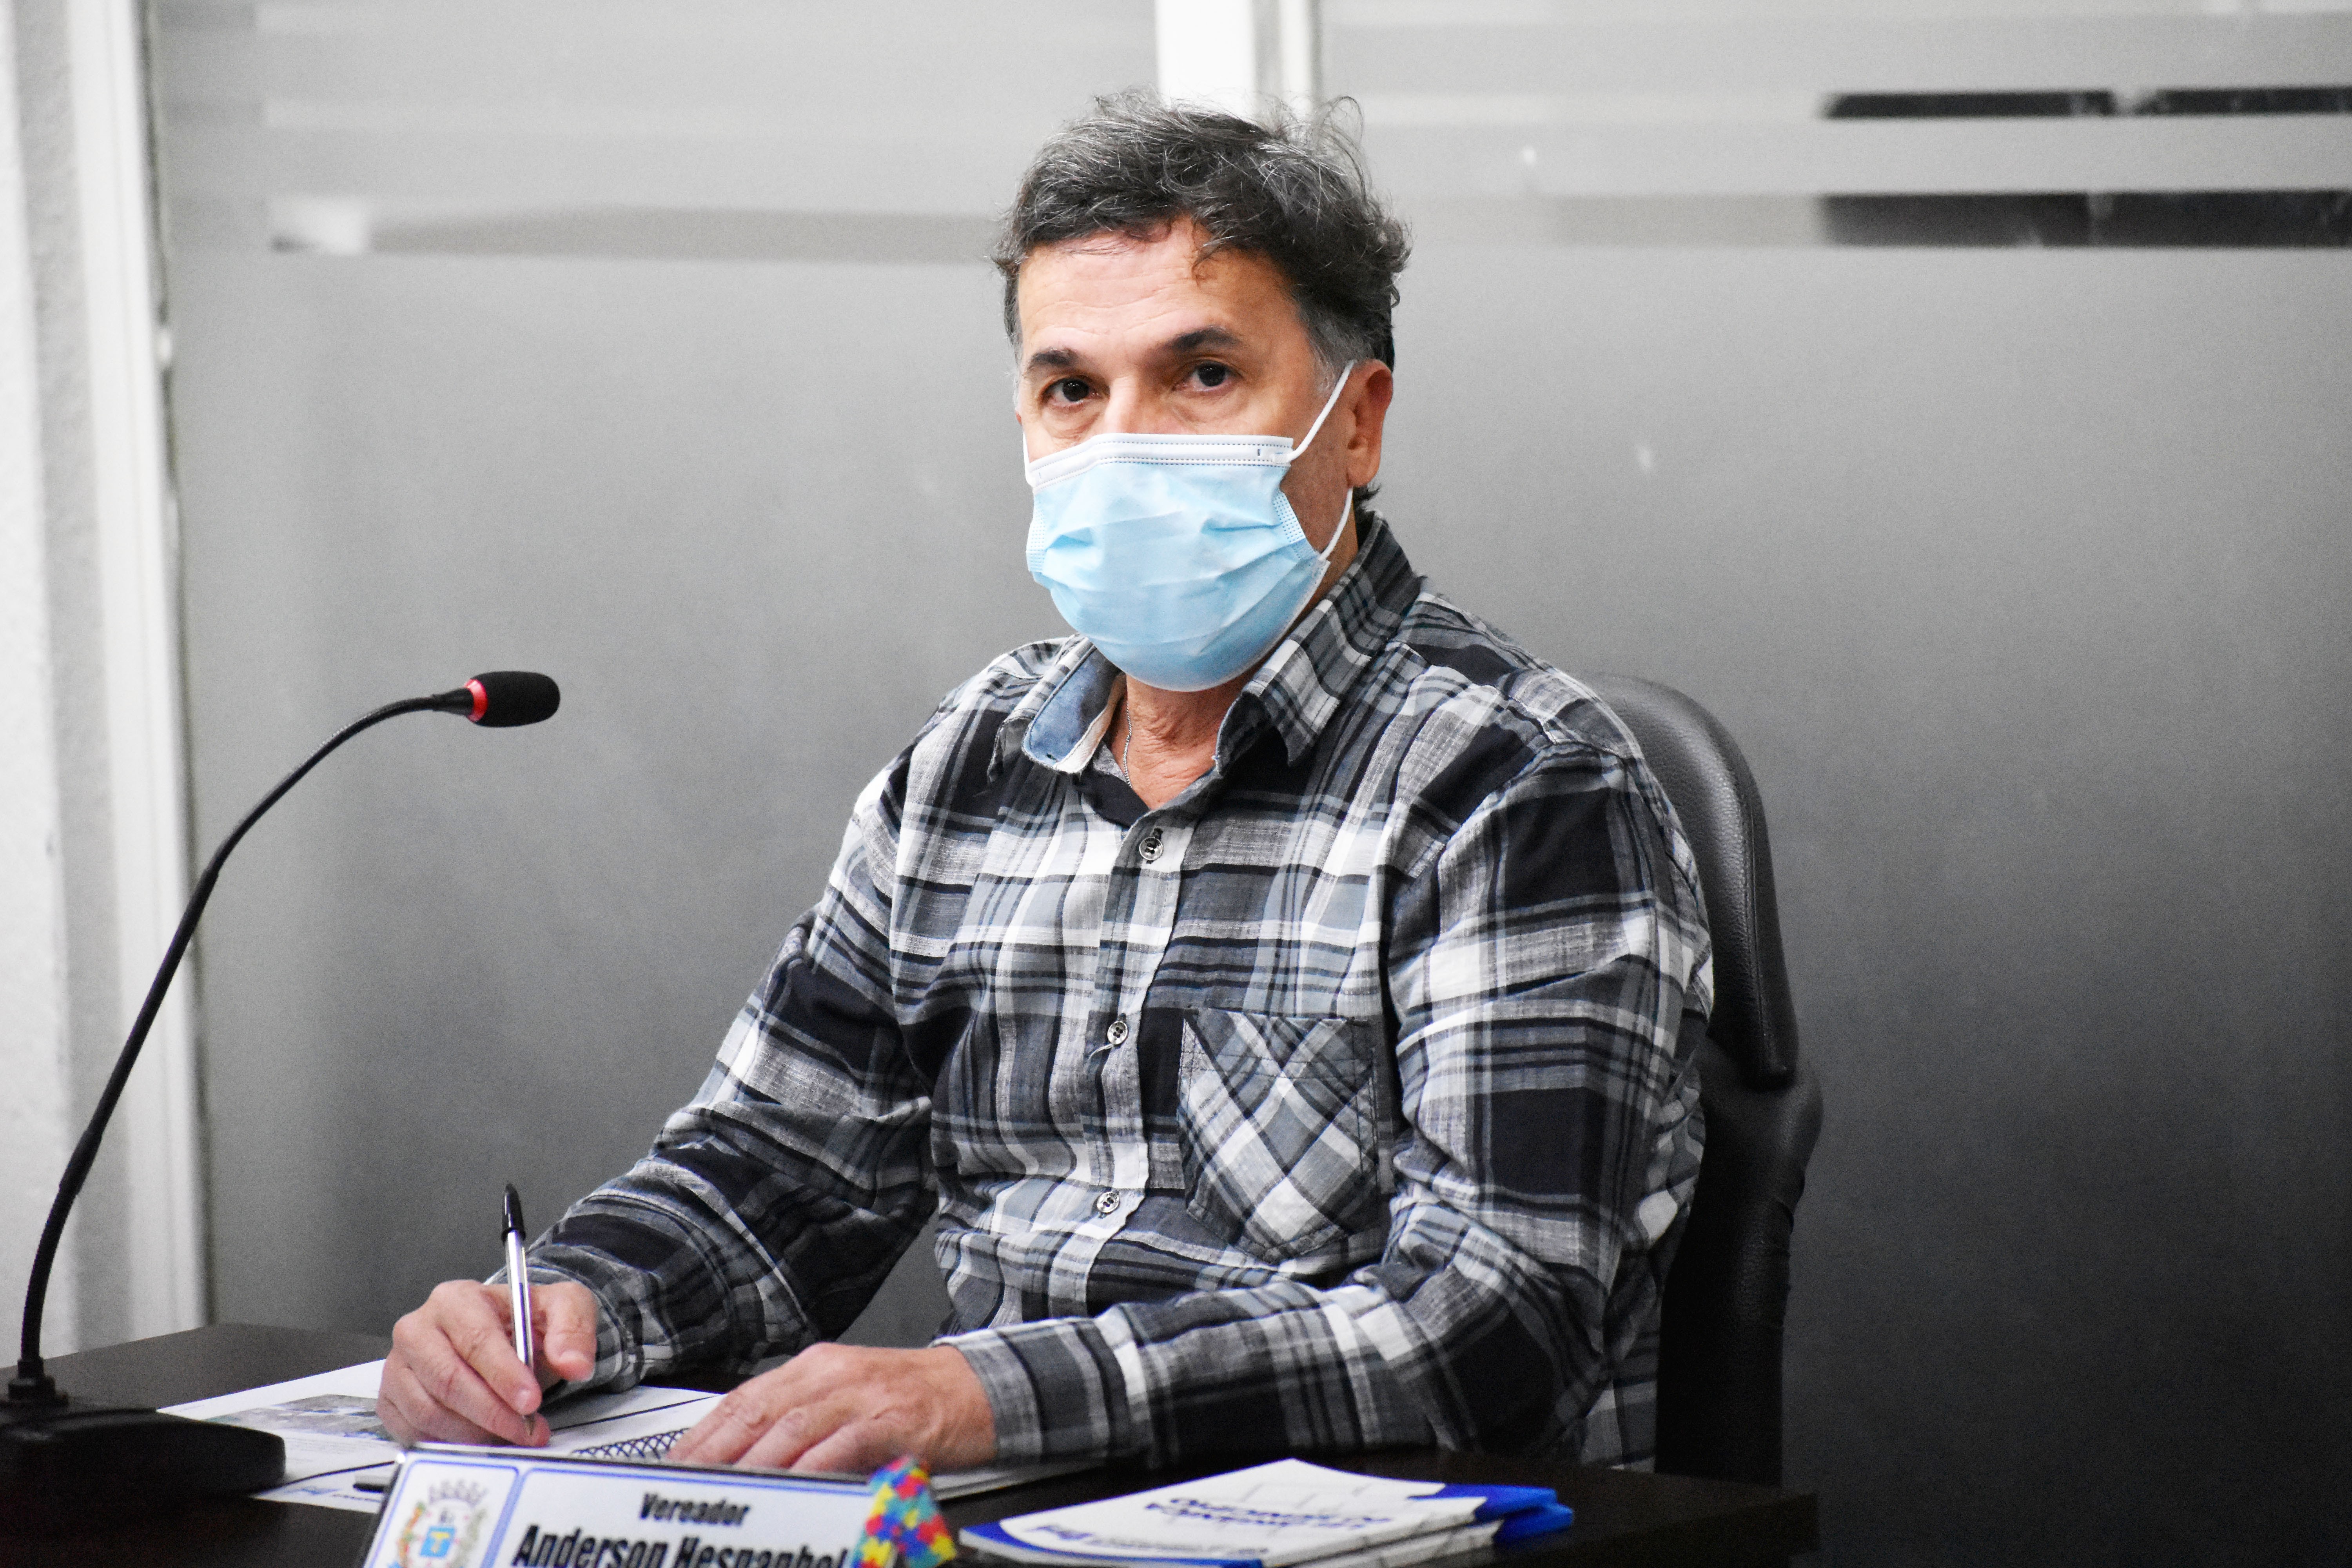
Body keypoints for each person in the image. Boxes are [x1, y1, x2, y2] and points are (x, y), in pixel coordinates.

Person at [376, 92, 1711, 1477]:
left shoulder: (1520, 785)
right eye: (1072, 390)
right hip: (994, 1516)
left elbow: (1490, 1325)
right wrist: (565, 1310)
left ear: (1356, 422)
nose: (1125, 444)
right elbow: (781, 1167)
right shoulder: (972, 764)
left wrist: (987, 1397)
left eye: (1203, 375)